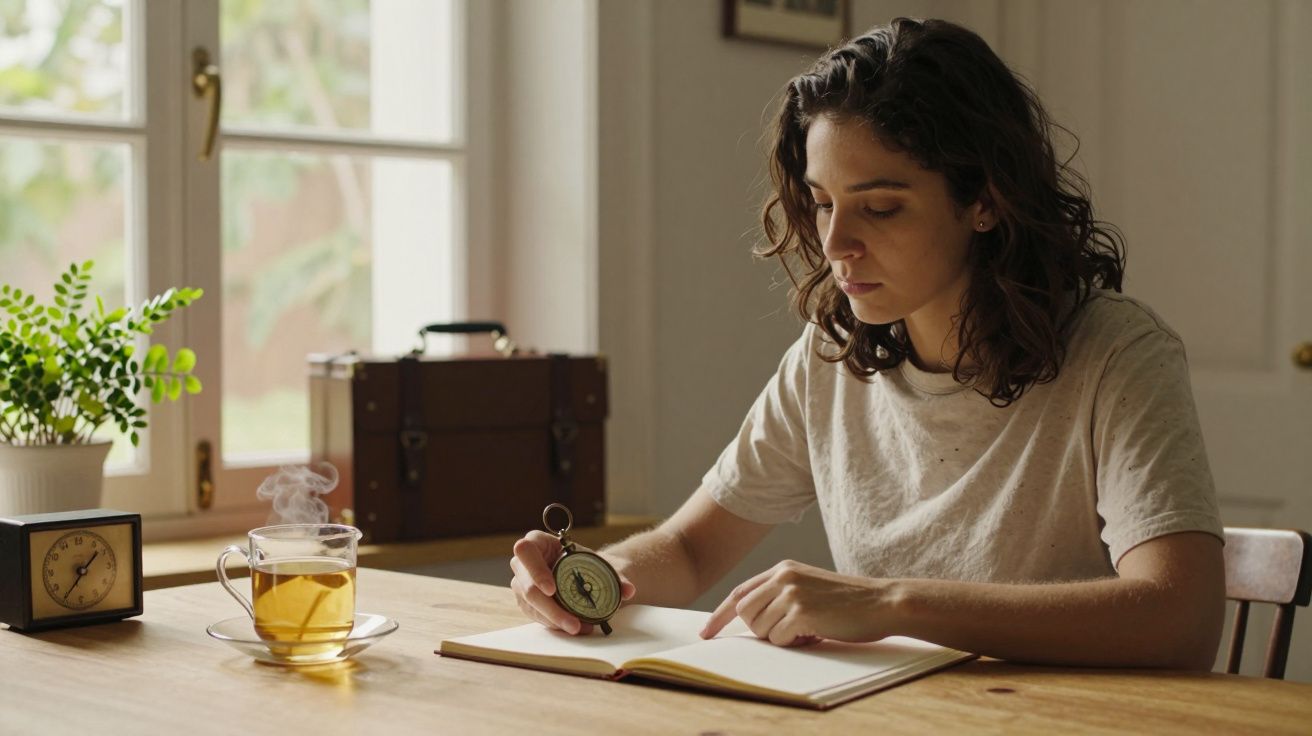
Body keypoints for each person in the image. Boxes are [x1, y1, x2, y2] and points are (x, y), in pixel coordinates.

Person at [510, 17, 1225, 670]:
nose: (835, 243)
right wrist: (587, 578)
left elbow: (1180, 617)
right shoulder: (829, 356)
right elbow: (692, 549)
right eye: (823, 203)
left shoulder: (1118, 354)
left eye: (880, 207)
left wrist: (891, 603)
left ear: (985, 200)